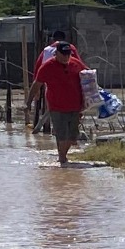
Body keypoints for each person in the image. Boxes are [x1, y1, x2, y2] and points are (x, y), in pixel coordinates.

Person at [31, 31, 88, 166]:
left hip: (75, 104)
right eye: (64, 54)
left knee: (72, 136)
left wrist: (95, 94)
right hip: (56, 104)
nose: (67, 56)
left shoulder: (74, 60)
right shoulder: (47, 64)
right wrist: (30, 101)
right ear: (56, 53)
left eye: (69, 54)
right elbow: (37, 80)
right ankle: (62, 160)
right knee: (62, 134)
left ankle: (63, 156)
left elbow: (88, 76)